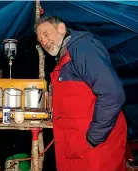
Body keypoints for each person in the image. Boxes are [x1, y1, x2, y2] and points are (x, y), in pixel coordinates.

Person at [35, 16, 127, 171]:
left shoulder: (82, 48)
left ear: (61, 28)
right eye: (40, 40)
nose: (43, 42)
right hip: (77, 147)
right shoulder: (66, 57)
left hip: (96, 149)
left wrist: (93, 138)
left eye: (46, 34)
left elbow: (112, 93)